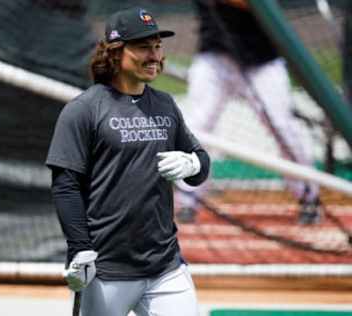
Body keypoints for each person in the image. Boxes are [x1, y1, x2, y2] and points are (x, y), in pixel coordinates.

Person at [46, 7, 210, 316]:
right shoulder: (83, 110)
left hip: (165, 268)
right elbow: (66, 186)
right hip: (106, 271)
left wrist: (194, 164)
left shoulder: (165, 104)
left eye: (158, 46)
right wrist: (79, 248)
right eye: (144, 47)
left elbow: (201, 163)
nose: (155, 55)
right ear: (115, 53)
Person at [176, 0, 321, 225]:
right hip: (215, 56)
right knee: (196, 128)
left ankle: (308, 196)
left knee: (283, 128)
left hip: (262, 59)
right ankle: (188, 200)